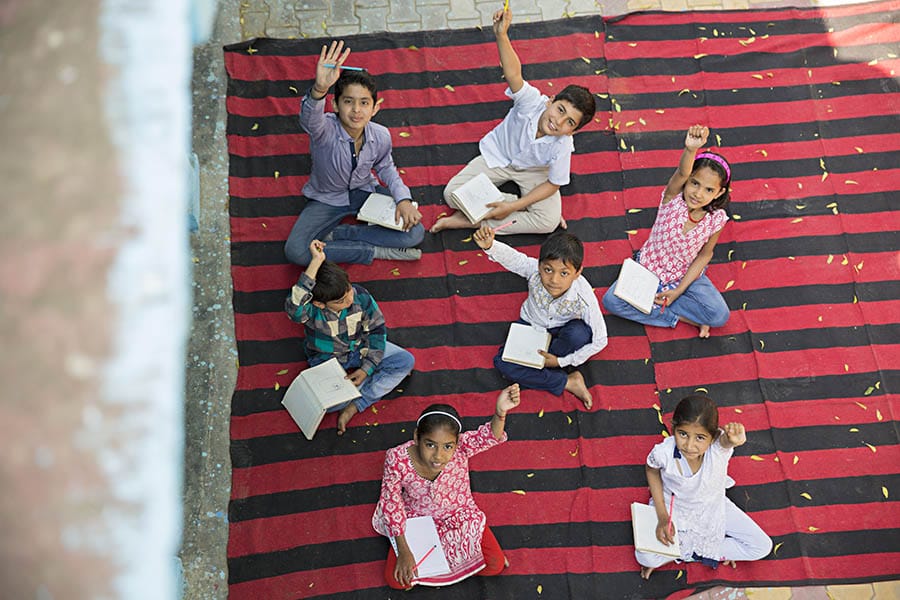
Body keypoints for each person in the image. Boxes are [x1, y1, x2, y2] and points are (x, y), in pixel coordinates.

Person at [429, 8, 596, 235]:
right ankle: (512, 205)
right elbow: (514, 74)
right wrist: (501, 35)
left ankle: (473, 220)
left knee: (548, 222)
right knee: (452, 194)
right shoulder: (531, 101)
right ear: (550, 101)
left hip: (534, 171)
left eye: (569, 123)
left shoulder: (563, 145)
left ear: (572, 132)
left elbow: (553, 183)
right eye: (560, 110)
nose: (558, 122)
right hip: (498, 156)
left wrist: (512, 207)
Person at [284, 40, 425, 266]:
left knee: (415, 232)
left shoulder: (381, 135)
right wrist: (319, 89)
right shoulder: (323, 129)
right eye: (348, 102)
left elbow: (386, 168)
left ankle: (342, 234)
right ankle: (372, 251)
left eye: (364, 103)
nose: (357, 110)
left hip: (364, 192)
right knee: (296, 252)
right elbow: (309, 119)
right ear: (335, 105)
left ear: (375, 108)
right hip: (326, 199)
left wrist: (403, 199)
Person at [372, 385, 521, 588]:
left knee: (495, 565)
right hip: (418, 518)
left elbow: (489, 436)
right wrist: (404, 551)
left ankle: (443, 569)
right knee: (397, 581)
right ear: (416, 438)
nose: (438, 456)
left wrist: (500, 412)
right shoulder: (396, 459)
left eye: (448, 446)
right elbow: (392, 503)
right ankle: (458, 567)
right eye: (430, 444)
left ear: (457, 443)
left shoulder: (462, 448)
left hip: (459, 515)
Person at [603, 125, 732, 338]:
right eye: (695, 183)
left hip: (684, 276)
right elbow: (682, 172)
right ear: (687, 180)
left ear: (719, 193)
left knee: (719, 315)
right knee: (611, 301)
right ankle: (680, 317)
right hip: (649, 269)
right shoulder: (672, 199)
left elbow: (704, 256)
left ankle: (664, 300)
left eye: (709, 189)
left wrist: (679, 290)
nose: (698, 194)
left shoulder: (716, 220)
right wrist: (691, 149)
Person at [284, 240, 415, 434]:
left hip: (361, 348)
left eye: (348, 290)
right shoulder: (311, 311)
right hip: (327, 358)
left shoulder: (359, 295)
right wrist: (316, 261)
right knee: (328, 405)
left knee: (405, 361)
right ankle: (359, 392)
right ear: (320, 304)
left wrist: (367, 369)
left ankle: (357, 403)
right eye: (340, 301)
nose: (349, 299)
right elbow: (294, 308)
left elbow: (377, 331)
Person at [636, 395, 772, 579]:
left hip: (713, 506)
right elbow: (651, 470)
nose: (689, 445)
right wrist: (662, 517)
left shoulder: (718, 447)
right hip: (675, 507)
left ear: (713, 436)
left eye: (700, 438)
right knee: (645, 557)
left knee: (762, 546)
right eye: (683, 434)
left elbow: (726, 442)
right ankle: (704, 551)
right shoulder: (663, 452)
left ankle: (686, 552)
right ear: (673, 428)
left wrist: (734, 440)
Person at [473, 225, 607, 410]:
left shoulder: (584, 296)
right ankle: (567, 381)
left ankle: (545, 366)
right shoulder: (533, 271)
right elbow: (514, 259)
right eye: (548, 270)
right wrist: (490, 246)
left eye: (564, 273)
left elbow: (601, 340)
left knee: (579, 334)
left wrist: (561, 361)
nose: (554, 280)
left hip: (563, 329)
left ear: (578, 273)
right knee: (502, 364)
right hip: (531, 325)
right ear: (539, 265)